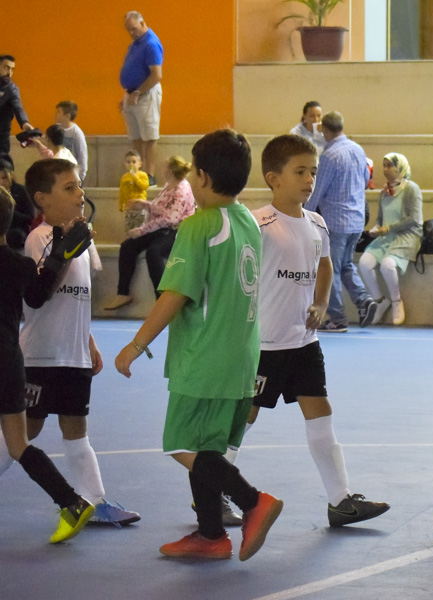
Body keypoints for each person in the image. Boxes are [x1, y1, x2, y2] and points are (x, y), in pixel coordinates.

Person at [115, 129, 283, 561]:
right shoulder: (248, 219)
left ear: (202, 177)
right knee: (209, 447)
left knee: (180, 444)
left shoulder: (198, 227)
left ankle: (251, 501)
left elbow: (174, 294)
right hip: (243, 358)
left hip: (205, 359)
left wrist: (135, 345)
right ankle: (210, 535)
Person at [240, 134, 390, 527]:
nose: (309, 180)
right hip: (265, 346)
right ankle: (213, 487)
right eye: (300, 172)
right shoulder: (257, 224)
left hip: (305, 342)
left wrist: (322, 303)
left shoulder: (317, 223)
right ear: (273, 178)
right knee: (243, 417)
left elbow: (324, 264)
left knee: (321, 413)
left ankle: (340, 500)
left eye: (313, 172)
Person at [20, 159, 142, 527]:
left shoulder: (82, 240)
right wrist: (65, 249)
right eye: (69, 188)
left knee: (77, 430)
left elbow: (77, 297)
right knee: (23, 434)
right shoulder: (38, 239)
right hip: (41, 356)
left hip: (73, 356)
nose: (80, 194)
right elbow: (40, 293)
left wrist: (87, 341)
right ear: (43, 199)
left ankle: (96, 501)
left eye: (79, 186)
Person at [0, 186, 96, 543]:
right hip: (10, 363)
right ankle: (71, 501)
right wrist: (61, 255)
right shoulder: (20, 264)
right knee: (18, 444)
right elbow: (38, 297)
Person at [305, 111, 373, 333]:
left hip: (335, 221)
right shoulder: (358, 150)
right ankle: (363, 300)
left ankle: (337, 318)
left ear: (325, 130)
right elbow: (364, 181)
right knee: (346, 265)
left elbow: (317, 189)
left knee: (329, 268)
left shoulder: (329, 156)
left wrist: (304, 212)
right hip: (356, 220)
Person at [103, 156, 196, 311]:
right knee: (128, 246)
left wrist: (141, 230)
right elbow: (161, 210)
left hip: (176, 231)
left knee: (154, 252)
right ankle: (123, 293)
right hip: (160, 228)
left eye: (165, 166)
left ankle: (161, 299)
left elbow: (169, 219)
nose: (162, 168)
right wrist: (145, 205)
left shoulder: (181, 190)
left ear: (171, 171)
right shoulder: (169, 185)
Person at [358, 153, 422, 326]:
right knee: (364, 263)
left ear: (400, 167)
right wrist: (376, 229)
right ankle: (379, 301)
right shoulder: (384, 192)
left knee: (387, 265)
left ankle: (396, 302)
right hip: (386, 237)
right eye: (384, 165)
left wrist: (389, 229)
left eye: (390, 165)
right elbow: (380, 219)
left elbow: (414, 219)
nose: (386, 169)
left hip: (407, 236)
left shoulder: (411, 189)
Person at [119, 11, 164, 176]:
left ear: (143, 23)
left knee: (149, 137)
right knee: (136, 136)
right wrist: (127, 95)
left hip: (146, 94)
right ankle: (137, 171)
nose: (131, 33)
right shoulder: (135, 44)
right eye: (128, 30)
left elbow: (156, 75)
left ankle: (149, 174)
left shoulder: (151, 44)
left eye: (134, 29)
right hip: (132, 94)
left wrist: (137, 92)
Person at [0, 55, 34, 158]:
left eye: (12, 69)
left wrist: (25, 123)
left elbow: (18, 107)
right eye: (6, 67)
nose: (9, 72)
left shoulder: (12, 89)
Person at [0, 155, 34, 249]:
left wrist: (9, 210)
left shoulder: (21, 191)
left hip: (16, 230)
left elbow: (30, 218)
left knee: (16, 236)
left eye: (4, 178)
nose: (1, 182)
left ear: (11, 175)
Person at [55, 101, 88, 182]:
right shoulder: (56, 129)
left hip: (72, 175)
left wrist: (80, 177)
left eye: (58, 112)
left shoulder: (77, 133)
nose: (56, 114)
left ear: (67, 116)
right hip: (58, 174)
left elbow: (82, 156)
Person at [118, 150, 150, 231]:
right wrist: (121, 204)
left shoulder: (142, 175)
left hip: (140, 207)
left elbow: (144, 186)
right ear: (125, 164)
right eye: (128, 162)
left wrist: (135, 177)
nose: (131, 164)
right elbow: (122, 192)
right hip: (129, 207)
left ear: (139, 164)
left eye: (134, 162)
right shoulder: (125, 177)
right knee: (129, 227)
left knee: (140, 228)